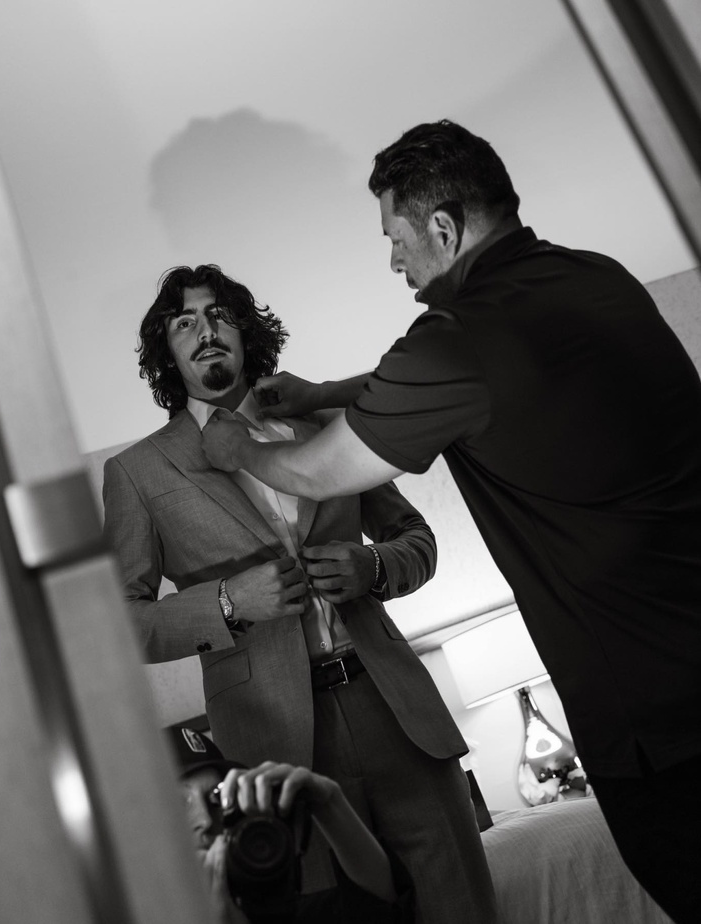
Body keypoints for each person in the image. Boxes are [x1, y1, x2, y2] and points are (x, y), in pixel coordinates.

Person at [202, 121, 701, 924]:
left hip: (655, 715)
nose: (393, 261)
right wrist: (326, 392)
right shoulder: (596, 275)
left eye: (395, 239)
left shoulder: (453, 341)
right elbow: (483, 377)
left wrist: (236, 448)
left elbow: (315, 471)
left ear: (442, 227)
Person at [102, 263, 496, 924]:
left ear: (245, 331)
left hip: (397, 712)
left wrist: (373, 567)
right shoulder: (137, 472)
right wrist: (227, 602)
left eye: (219, 314)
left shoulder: (322, 424)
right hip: (270, 745)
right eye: (184, 322)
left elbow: (415, 537)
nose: (206, 331)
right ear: (167, 352)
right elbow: (121, 625)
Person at [170, 725, 414, 924]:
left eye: (216, 799)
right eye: (180, 803)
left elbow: (379, 908)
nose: (205, 820)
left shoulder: (271, 912)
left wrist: (329, 804)